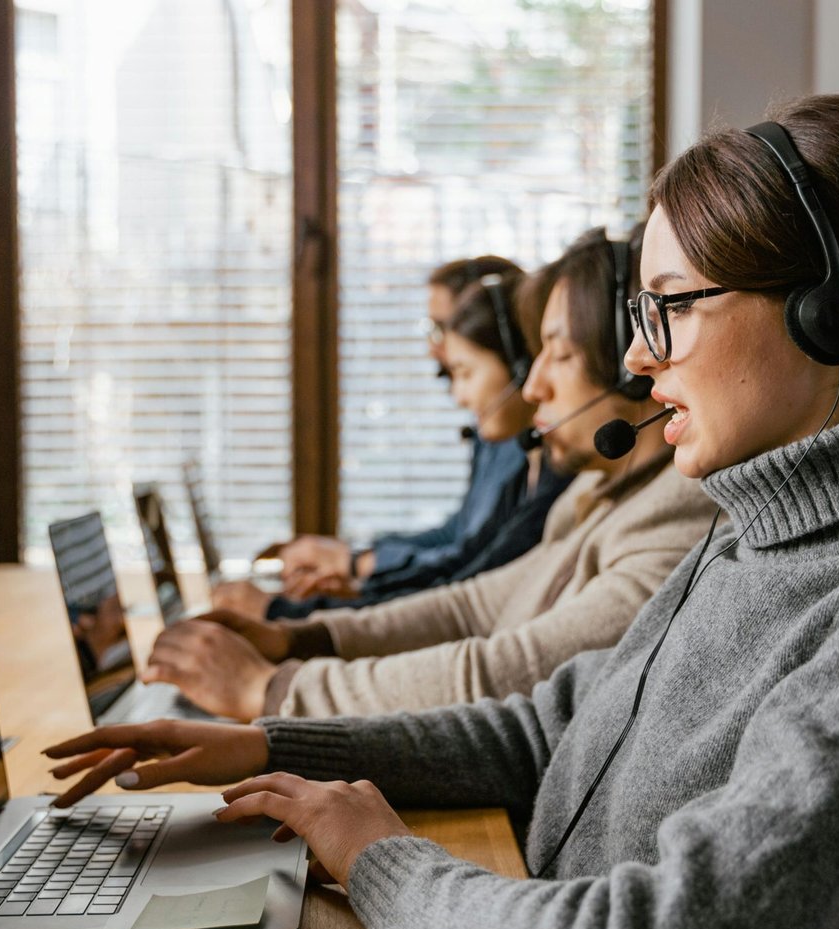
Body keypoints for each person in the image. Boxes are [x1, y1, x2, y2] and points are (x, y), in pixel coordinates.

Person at [43, 95, 839, 929]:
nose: (638, 363)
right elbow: (551, 728)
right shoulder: (749, 540)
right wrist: (280, 746)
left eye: (671, 306)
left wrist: (382, 863)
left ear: (830, 312)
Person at [138, 228, 717, 722]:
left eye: (558, 355)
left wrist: (269, 689)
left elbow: (504, 669)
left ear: (632, 371)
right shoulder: (598, 491)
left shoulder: (673, 515)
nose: (534, 385)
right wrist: (300, 637)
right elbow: (468, 608)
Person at [231, 269, 574, 621]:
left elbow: (467, 590)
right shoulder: (525, 461)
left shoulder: (544, 466)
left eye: (464, 369)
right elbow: (465, 561)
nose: (433, 347)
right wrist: (357, 585)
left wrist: (303, 611)